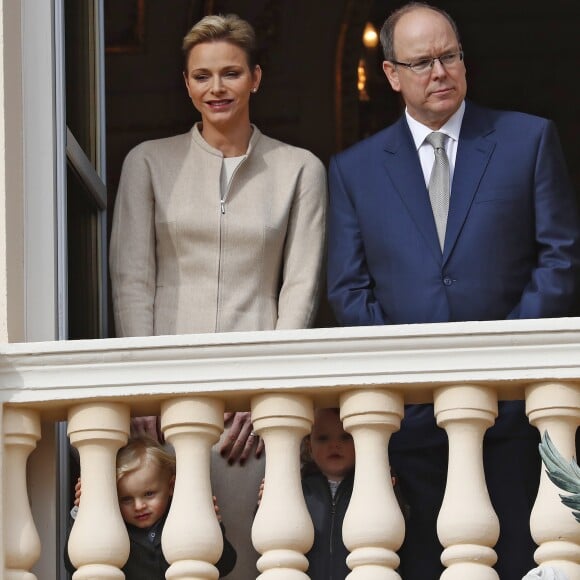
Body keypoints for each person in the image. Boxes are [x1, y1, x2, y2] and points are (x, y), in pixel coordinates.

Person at [326, 3, 580, 579]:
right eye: (422, 62)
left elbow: (560, 257)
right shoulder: (353, 170)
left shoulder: (527, 139)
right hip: (411, 425)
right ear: (391, 74)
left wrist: (500, 356)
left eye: (450, 56)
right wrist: (416, 370)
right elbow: (348, 288)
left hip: (515, 417)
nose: (440, 72)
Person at [109, 13, 327, 577]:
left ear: (256, 77)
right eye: (202, 76)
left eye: (230, 73)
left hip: (250, 420)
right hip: (164, 408)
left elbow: (299, 288)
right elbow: (133, 281)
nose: (216, 88)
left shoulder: (299, 168)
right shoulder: (148, 164)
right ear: (186, 83)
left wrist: (263, 393)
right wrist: (149, 391)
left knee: (258, 559)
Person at [65, 437, 237, 579]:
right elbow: (72, 564)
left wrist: (214, 526)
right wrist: (82, 514)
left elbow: (226, 563)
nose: (139, 506)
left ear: (171, 486)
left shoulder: (183, 521)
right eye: (126, 499)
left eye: (149, 494)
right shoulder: (114, 531)